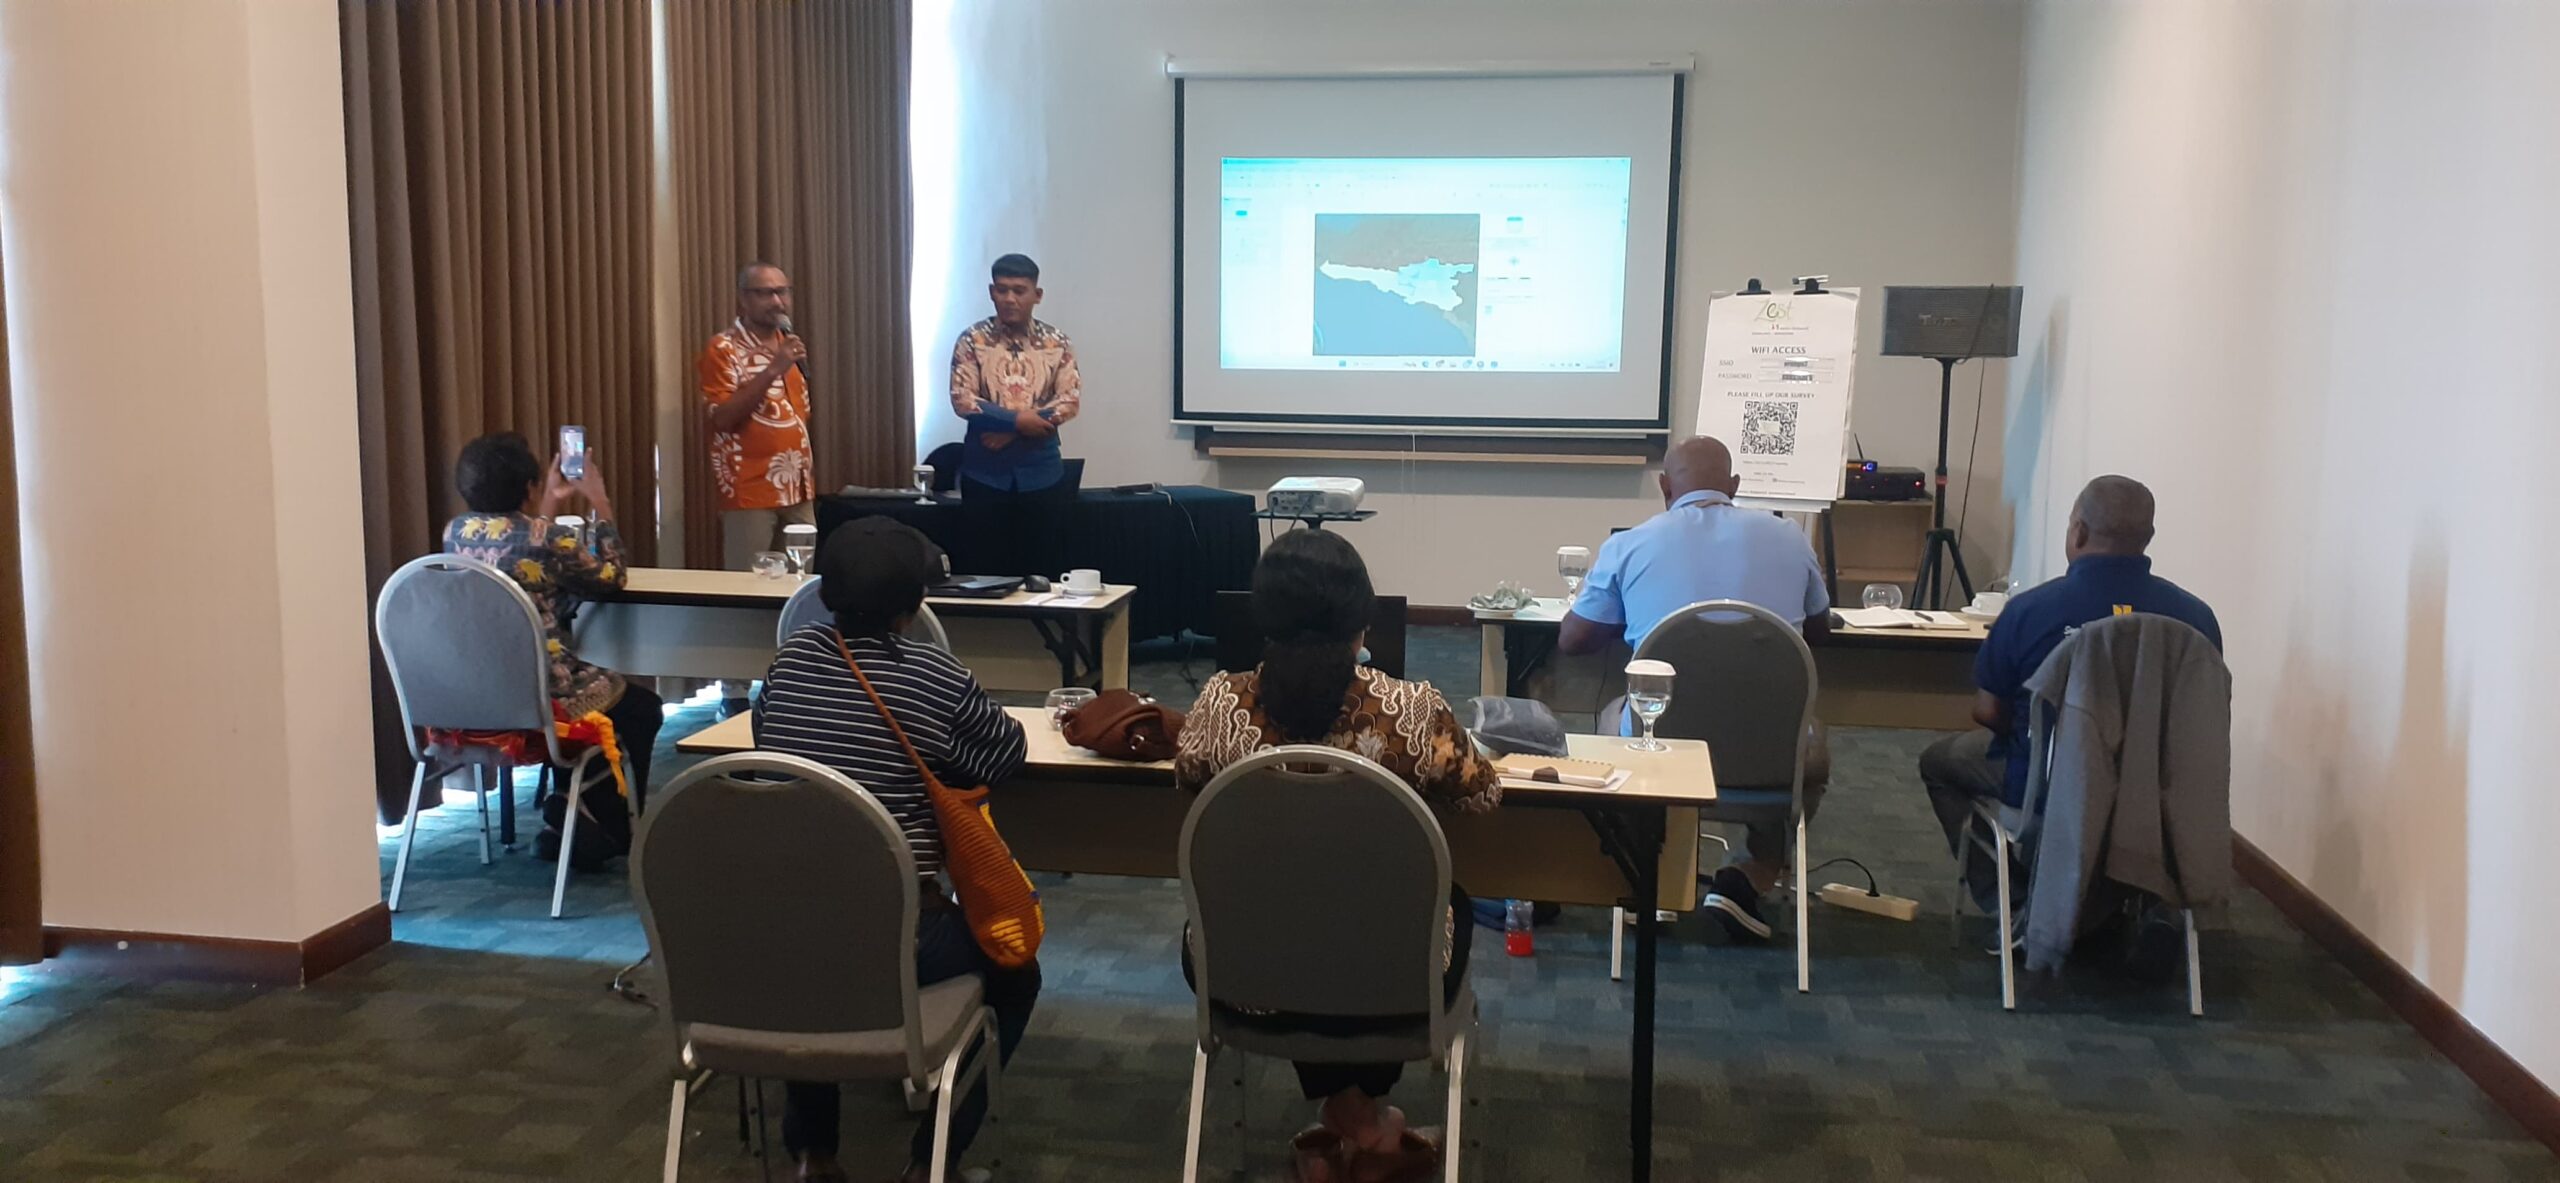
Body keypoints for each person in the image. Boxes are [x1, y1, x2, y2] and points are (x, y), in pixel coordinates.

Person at [1175, 530, 1499, 1183]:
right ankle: (1364, 1122)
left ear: (1264, 616)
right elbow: (1483, 794)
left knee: (1292, 907)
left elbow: (1188, 780)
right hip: (1396, 979)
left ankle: (1350, 1117)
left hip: (1247, 974)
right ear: (1361, 622)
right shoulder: (1414, 711)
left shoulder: (1218, 705)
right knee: (1413, 907)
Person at [754, 517, 1036, 1183]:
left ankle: (813, 1153)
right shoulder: (932, 673)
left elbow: (769, 743)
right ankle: (935, 1153)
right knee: (1017, 974)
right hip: (902, 934)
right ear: (914, 606)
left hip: (783, 925)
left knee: (809, 953)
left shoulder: (789, 662)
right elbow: (1004, 754)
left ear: (824, 594)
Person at [1555, 435, 1831, 943]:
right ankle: (1752, 875)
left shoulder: (1630, 544)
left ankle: (1646, 874)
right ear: (1735, 486)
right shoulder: (1791, 538)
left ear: (1665, 487)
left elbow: (1572, 642)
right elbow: (1818, 630)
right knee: (1807, 746)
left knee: (1612, 718)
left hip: (1661, 744)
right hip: (1766, 754)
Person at [1920, 474, 2221, 919]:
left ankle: (2017, 906)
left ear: (2078, 531)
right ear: (2149, 537)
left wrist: (2042, 733)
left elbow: (1987, 711)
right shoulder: (2196, 619)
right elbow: (2199, 715)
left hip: (2050, 789)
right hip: (2153, 800)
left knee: (1939, 763)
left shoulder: (2030, 611)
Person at [441, 432, 661, 865]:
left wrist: (548, 506)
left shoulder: (455, 532)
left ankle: (572, 812)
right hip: (545, 696)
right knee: (641, 708)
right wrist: (599, 502)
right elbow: (612, 577)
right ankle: (611, 825)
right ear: (529, 487)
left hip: (475, 693)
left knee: (605, 706)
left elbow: (519, 553)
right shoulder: (550, 538)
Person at [699, 261, 816, 712]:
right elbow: (723, 418)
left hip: (798, 485)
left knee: (799, 588)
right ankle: (733, 692)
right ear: (743, 299)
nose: (778, 301)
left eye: (783, 291)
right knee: (745, 589)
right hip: (748, 486)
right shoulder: (723, 349)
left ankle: (790, 681)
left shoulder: (790, 344)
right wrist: (772, 369)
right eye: (766, 293)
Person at [948, 253, 1082, 577]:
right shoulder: (972, 340)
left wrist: (1012, 430)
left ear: (1037, 295)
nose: (1010, 298)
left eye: (1019, 290)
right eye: (1002, 289)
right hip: (984, 475)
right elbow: (962, 399)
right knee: (985, 575)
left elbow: (1069, 401)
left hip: (1042, 475)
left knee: (1043, 576)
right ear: (991, 292)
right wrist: (1019, 421)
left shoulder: (1057, 342)